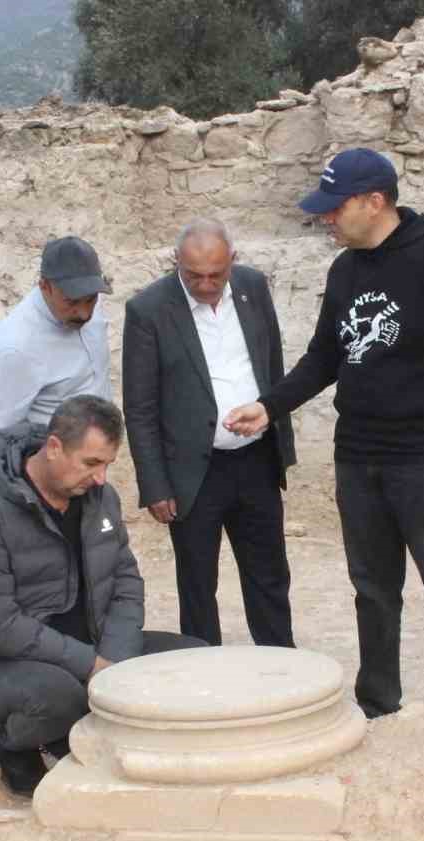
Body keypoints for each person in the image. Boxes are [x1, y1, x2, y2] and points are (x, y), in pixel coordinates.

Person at [224, 148, 424, 720]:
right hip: (358, 458)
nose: (327, 218)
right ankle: (379, 705)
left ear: (375, 202)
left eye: (336, 207)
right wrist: (268, 406)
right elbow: (324, 358)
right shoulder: (344, 270)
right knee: (373, 591)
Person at [0, 395, 204, 796]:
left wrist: (115, 662)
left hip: (93, 645)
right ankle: (15, 744)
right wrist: (91, 665)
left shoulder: (101, 500)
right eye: (91, 463)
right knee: (59, 697)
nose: (100, 478)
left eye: (107, 465)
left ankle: (79, 734)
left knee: (194, 658)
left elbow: (125, 582)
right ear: (53, 448)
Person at [122, 218, 297, 648]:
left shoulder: (253, 288)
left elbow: (271, 365)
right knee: (198, 583)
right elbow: (140, 406)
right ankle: (204, 675)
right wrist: (155, 483)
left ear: (232, 263)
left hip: (256, 459)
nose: (204, 285)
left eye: (216, 275)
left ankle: (282, 667)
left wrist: (277, 436)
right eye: (193, 275)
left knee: (270, 575)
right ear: (176, 263)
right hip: (191, 472)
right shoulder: (148, 309)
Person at [0, 236, 113, 450]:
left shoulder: (85, 295)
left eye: (91, 299)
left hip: (94, 459)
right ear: (44, 286)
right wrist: (9, 483)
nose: (85, 313)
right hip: (51, 473)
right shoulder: (16, 345)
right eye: (72, 301)